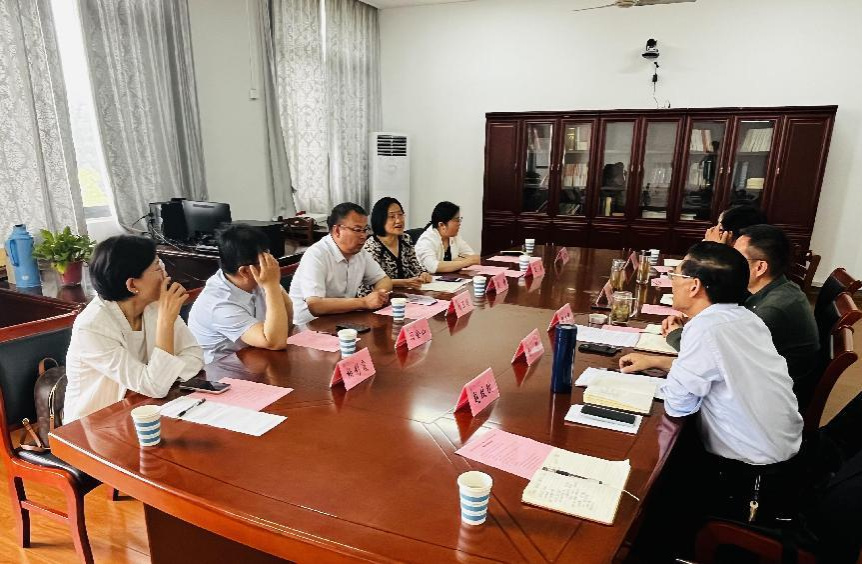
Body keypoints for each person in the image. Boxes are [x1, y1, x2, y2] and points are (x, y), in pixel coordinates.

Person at [620, 242, 802, 468]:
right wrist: (656, 361)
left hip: (747, 463)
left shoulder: (705, 329)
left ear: (694, 286)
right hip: (779, 444)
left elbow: (678, 405)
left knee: (645, 456)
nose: (672, 282)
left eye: (675, 275)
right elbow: (720, 369)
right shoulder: (746, 318)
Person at [664, 225, 820, 407]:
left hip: (768, 401)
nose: (730, 261)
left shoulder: (772, 309)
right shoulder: (770, 289)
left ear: (760, 267)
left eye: (737, 256)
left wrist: (675, 335)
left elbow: (714, 359)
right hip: (757, 386)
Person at [64, 236, 203, 423]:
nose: (166, 275)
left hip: (146, 408)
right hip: (97, 424)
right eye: (157, 267)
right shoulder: (92, 327)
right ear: (132, 284)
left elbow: (195, 355)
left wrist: (162, 377)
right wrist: (165, 323)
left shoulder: (154, 304)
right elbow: (155, 386)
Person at [188, 225, 292, 364]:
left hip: (254, 357)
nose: (272, 265)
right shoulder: (219, 304)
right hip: (221, 369)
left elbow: (288, 321)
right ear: (245, 271)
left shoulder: (256, 280)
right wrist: (272, 286)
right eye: (265, 260)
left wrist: (273, 286)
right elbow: (275, 342)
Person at [289, 202, 393, 326]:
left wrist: (379, 294)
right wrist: (364, 302)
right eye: (357, 230)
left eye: (365, 229)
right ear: (337, 230)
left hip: (343, 320)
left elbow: (383, 279)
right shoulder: (316, 255)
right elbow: (315, 305)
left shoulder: (360, 253)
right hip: (308, 326)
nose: (364, 236)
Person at [358, 197, 432, 297]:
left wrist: (423, 274)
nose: (398, 220)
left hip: (408, 295)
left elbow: (416, 267)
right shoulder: (371, 246)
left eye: (400, 215)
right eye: (392, 216)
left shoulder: (405, 239)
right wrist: (402, 282)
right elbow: (370, 283)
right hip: (383, 298)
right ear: (380, 220)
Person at [415, 201, 481, 273]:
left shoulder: (454, 236)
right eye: (457, 220)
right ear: (442, 225)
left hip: (450, 277)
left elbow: (472, 256)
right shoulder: (427, 240)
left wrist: (451, 264)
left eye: (460, 219)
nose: (459, 223)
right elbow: (433, 267)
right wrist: (465, 262)